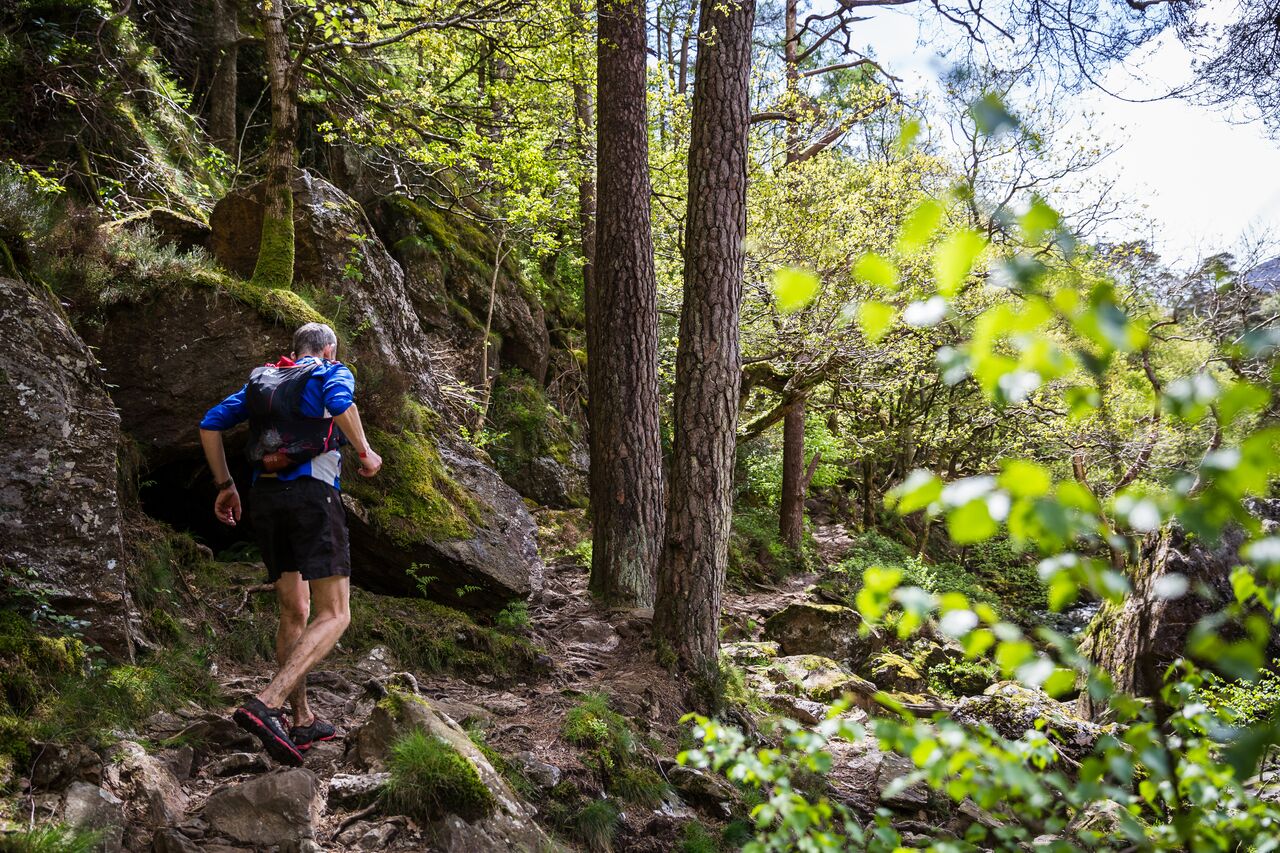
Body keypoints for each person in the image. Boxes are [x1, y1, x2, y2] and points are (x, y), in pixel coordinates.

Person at [199, 322, 383, 766]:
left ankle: (301, 720)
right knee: (335, 614)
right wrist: (365, 451)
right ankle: (268, 703)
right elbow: (341, 404)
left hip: (265, 499)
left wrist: (225, 485)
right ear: (329, 348)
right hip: (312, 498)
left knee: (295, 610)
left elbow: (209, 424)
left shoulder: (264, 380)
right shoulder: (330, 371)